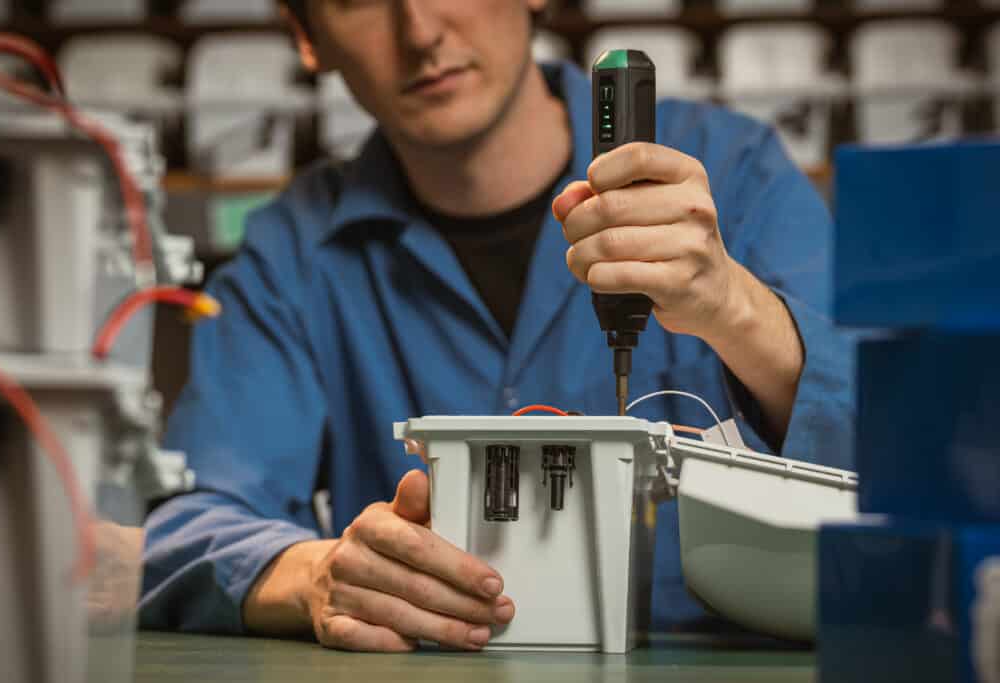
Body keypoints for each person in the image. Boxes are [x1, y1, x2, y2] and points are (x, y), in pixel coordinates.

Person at [139, 0, 854, 652]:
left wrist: (735, 308)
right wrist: (317, 573)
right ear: (307, 37)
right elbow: (190, 525)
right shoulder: (293, 255)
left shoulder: (737, 177)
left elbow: (907, 459)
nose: (420, 32)